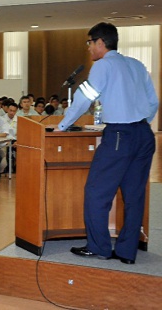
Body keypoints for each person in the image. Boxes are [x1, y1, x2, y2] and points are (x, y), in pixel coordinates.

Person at [62, 23, 158, 265]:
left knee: (96, 192)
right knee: (134, 196)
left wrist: (62, 126)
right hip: (144, 135)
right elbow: (153, 101)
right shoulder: (136, 64)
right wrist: (139, 123)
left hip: (118, 136)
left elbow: (84, 99)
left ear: (100, 43)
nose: (89, 48)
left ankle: (99, 247)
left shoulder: (103, 66)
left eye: (90, 43)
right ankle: (127, 252)